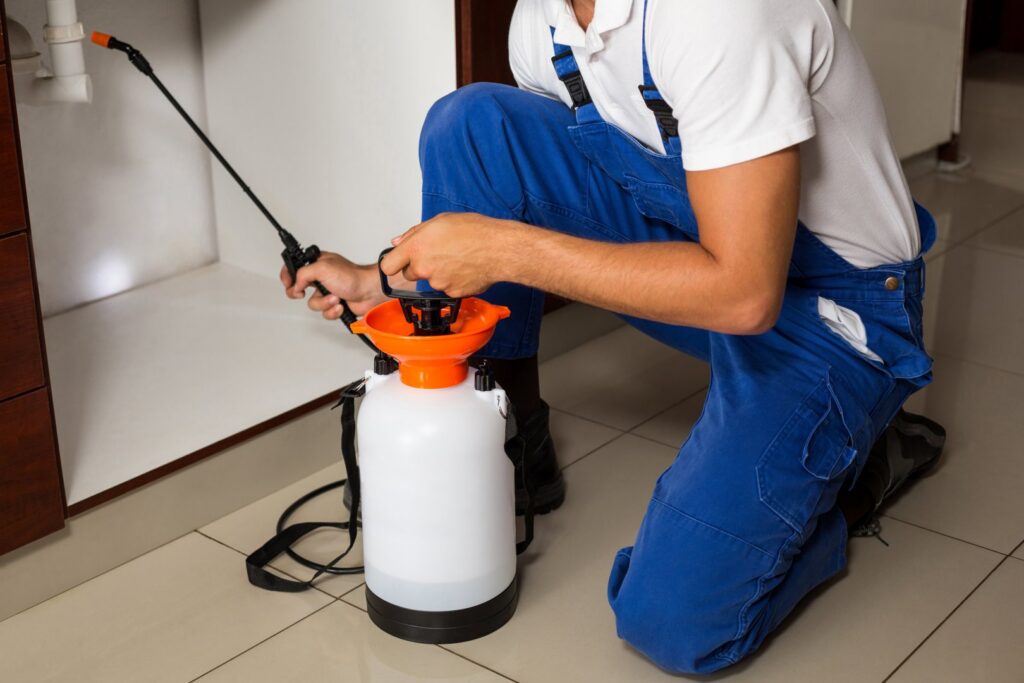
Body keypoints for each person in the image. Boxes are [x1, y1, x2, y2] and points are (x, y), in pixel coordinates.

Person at [282, 0, 946, 674]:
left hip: (833, 315)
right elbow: (545, 188)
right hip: (702, 256)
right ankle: (512, 449)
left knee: (674, 622)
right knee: (474, 127)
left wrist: (508, 253)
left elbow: (746, 295)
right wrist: (381, 283)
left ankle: (858, 475)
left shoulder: (721, 14)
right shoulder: (544, 21)